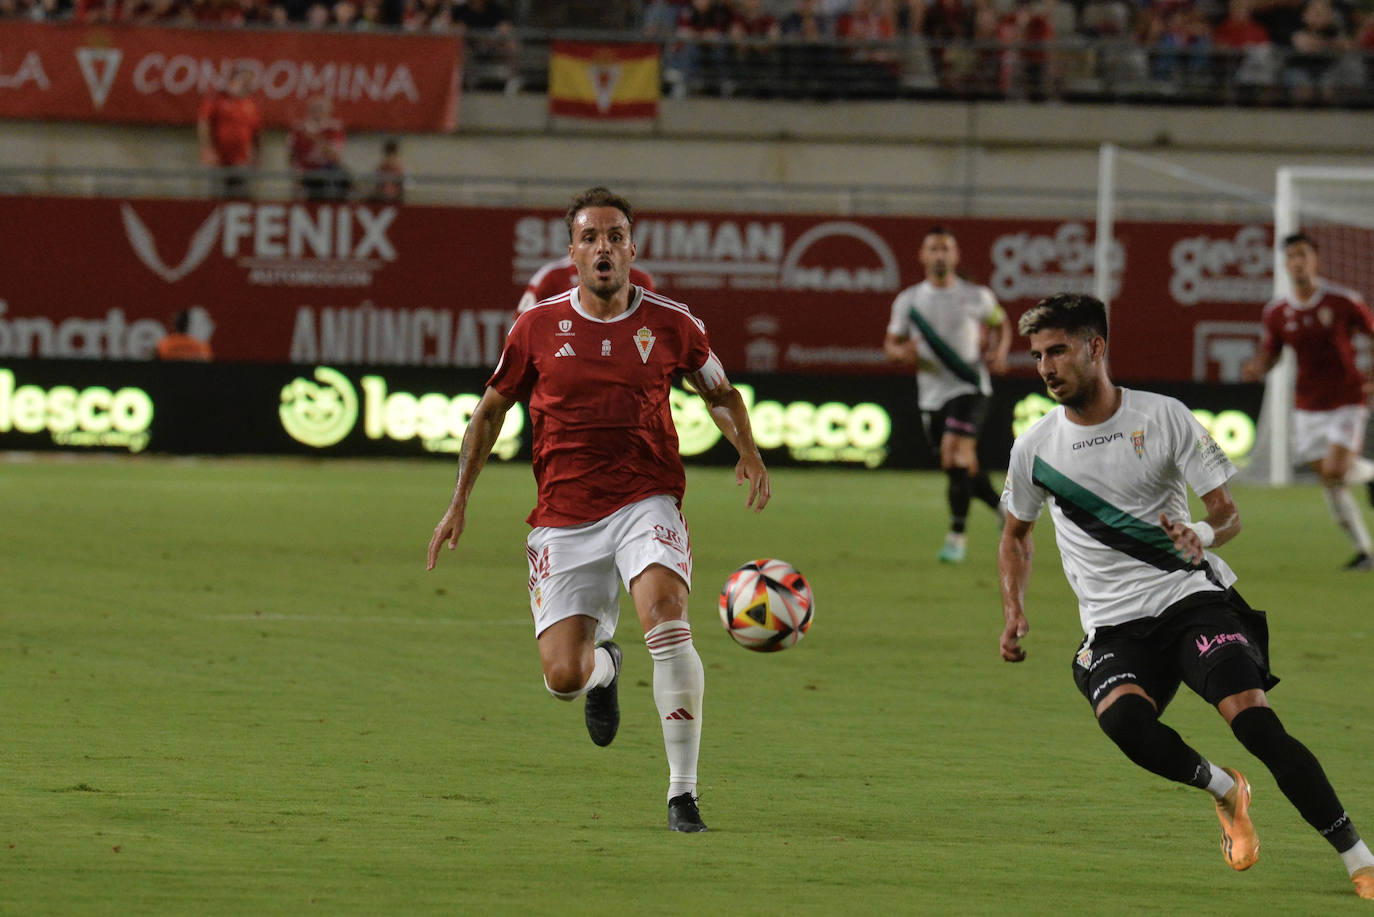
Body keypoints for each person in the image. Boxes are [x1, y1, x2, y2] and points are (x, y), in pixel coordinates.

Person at [999, 292, 1374, 900]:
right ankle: (1225, 789)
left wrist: (1197, 534)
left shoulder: (1163, 416)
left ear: (1096, 348)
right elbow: (1016, 536)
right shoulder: (1033, 448)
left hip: (1189, 599)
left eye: (1058, 351)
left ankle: (1359, 858)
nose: (1045, 367)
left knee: (1254, 722)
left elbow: (1227, 516)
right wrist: (1014, 609)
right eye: (1038, 355)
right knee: (1126, 725)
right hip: (1114, 626)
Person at [427, 187, 771, 833]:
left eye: (615, 235)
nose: (603, 247)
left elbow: (719, 391)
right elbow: (491, 411)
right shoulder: (536, 327)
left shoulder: (673, 322)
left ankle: (683, 794)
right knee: (563, 676)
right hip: (563, 513)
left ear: (633, 249)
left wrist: (747, 451)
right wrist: (458, 501)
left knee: (667, 619)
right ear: (572, 254)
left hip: (647, 496)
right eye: (590, 237)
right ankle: (606, 666)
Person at [1242, 232, 1374, 571]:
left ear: (1315, 260)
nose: (1297, 261)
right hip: (1307, 405)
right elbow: (1272, 354)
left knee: (1334, 471)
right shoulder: (1277, 312)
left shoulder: (1342, 301)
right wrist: (1258, 367)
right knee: (1330, 481)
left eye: (1303, 254)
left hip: (1347, 398)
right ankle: (1365, 551)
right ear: (1286, 264)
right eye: (1291, 256)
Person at [883, 226, 1011, 564]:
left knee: (955, 454)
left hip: (970, 386)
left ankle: (956, 538)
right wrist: (902, 352)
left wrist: (999, 352)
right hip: (932, 395)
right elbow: (891, 346)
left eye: (945, 249)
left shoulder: (977, 296)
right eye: (933, 249)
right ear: (923, 256)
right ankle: (1002, 511)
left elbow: (1001, 324)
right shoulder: (909, 301)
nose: (940, 255)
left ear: (955, 256)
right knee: (961, 464)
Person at [196, 63, 261, 200]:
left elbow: (256, 134)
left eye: (250, 81)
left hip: (242, 161)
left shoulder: (251, 104)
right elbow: (204, 123)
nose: (248, 84)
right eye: (244, 80)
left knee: (241, 198)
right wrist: (207, 149)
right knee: (216, 198)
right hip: (219, 160)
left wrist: (257, 156)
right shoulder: (218, 99)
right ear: (233, 80)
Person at [515, 254, 655, 316]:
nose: (602, 244)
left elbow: (651, 332)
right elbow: (519, 333)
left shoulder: (640, 279)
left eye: (613, 236)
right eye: (590, 237)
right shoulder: (550, 276)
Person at [287, 96, 350, 202]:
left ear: (328, 112)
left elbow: (335, 156)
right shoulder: (298, 129)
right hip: (306, 171)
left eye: (320, 109)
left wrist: (315, 137)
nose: (317, 113)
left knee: (344, 176)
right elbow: (291, 156)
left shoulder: (334, 129)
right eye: (314, 109)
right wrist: (296, 173)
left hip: (327, 170)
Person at [369, 137, 406, 203]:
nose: (389, 158)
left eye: (391, 154)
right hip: (381, 196)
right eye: (388, 154)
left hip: (395, 197)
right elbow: (376, 185)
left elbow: (402, 186)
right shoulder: (380, 167)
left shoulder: (399, 168)